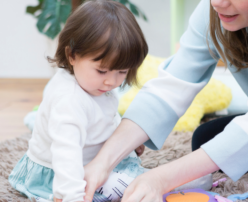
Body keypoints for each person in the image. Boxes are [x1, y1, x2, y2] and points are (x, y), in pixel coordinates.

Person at [82, 0, 248, 201]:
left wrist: (160, 179)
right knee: (206, 138)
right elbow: (170, 87)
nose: (217, 3)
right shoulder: (215, 11)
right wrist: (103, 161)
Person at [8, 1, 148, 201]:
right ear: (72, 55)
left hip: (92, 161)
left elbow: (106, 114)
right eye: (102, 70)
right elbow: (66, 155)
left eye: (122, 71)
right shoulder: (69, 100)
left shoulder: (96, 83)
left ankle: (36, 119)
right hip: (63, 174)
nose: (112, 81)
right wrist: (71, 195)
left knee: (143, 184)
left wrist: (125, 141)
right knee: (135, 189)